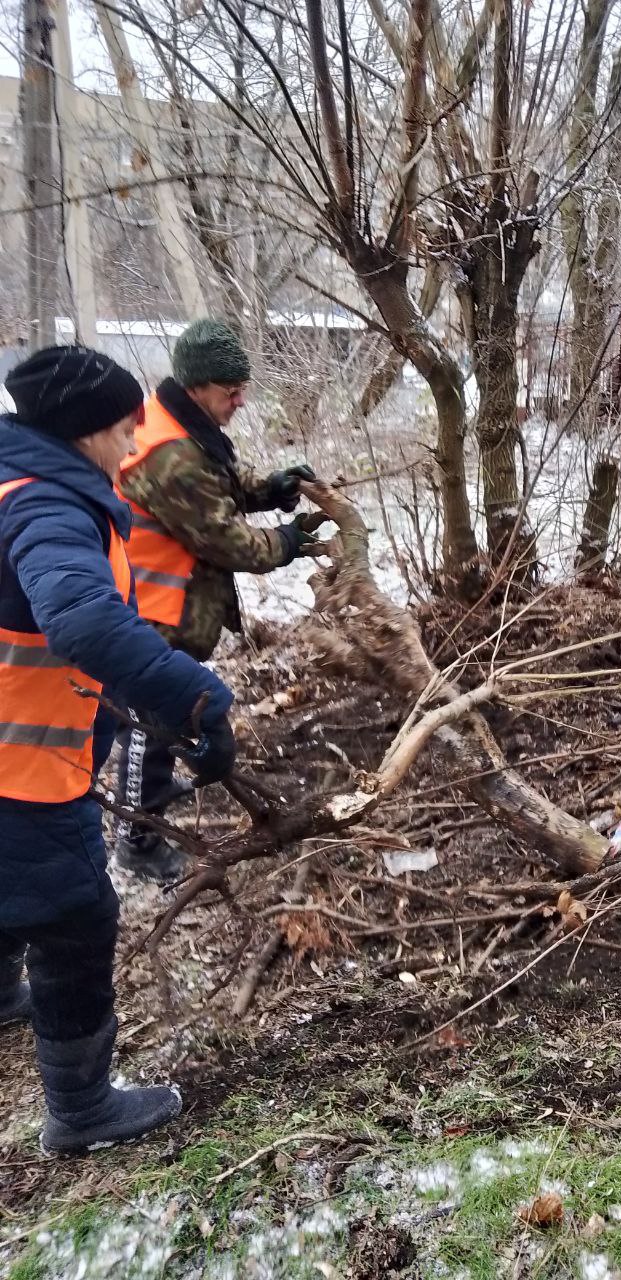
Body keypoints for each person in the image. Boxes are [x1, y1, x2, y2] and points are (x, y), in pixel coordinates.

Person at [0, 345, 236, 1154]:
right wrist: (199, 696)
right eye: (124, 418)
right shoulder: (48, 508)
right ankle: (82, 1111)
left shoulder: (18, 481)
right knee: (73, 916)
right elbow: (87, 624)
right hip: (18, 769)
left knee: (10, 891)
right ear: (83, 431)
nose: (138, 428)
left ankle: (2, 993)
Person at [116, 318, 319, 882]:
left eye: (242, 387)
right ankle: (136, 840)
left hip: (172, 607)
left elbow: (217, 483)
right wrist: (287, 541)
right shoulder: (169, 454)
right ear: (198, 385)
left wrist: (268, 488)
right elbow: (224, 539)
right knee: (148, 727)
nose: (240, 400)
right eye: (231, 390)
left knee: (160, 723)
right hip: (152, 613)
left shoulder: (182, 424)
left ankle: (146, 820)